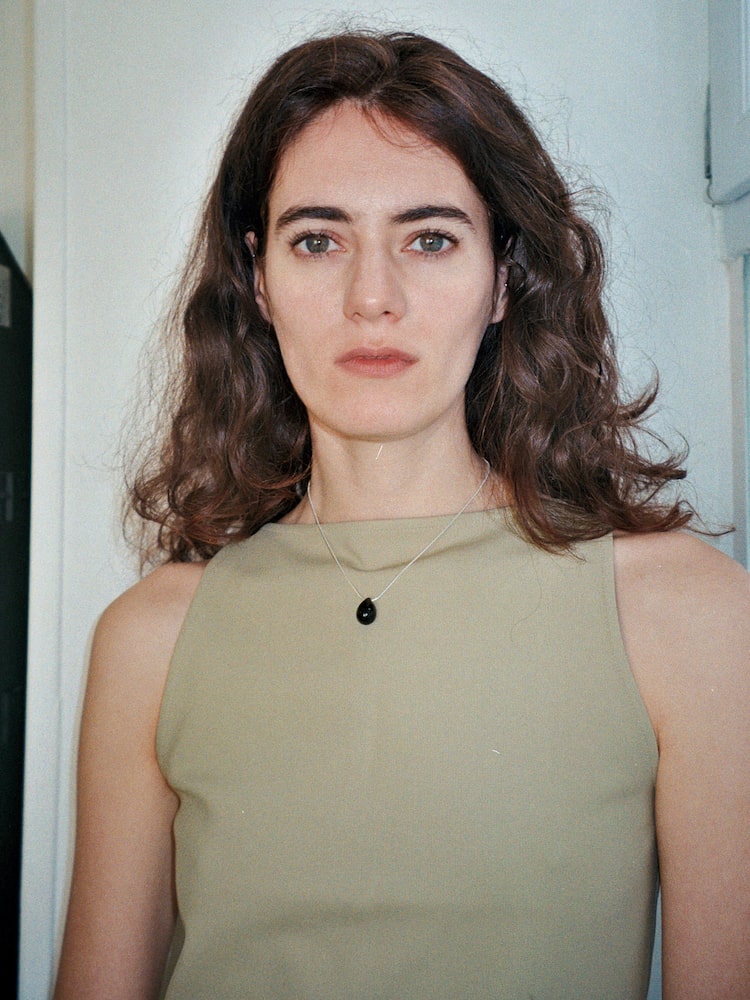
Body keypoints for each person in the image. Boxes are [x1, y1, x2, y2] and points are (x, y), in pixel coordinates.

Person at [54, 30, 749, 1000]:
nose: (371, 297)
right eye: (317, 239)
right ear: (258, 280)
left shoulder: (690, 617)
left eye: (429, 239)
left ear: (503, 278)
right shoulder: (149, 639)